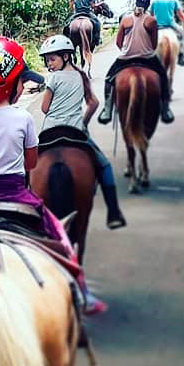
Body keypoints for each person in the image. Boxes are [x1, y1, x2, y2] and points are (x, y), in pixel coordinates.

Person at [0, 35, 106, 314]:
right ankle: (80, 288)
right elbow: (31, 163)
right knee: (58, 232)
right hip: (14, 193)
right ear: (11, 86)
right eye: (21, 80)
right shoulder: (22, 118)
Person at [37, 34, 126, 230]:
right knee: (104, 166)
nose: (49, 64)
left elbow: (44, 108)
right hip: (75, 131)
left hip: (49, 132)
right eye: (47, 60)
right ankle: (113, 211)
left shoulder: (53, 78)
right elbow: (93, 103)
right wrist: (83, 122)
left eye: (52, 59)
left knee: (26, 167)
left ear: (66, 57)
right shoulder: (81, 76)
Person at [98, 0, 175, 125]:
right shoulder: (151, 20)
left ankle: (107, 110)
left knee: (109, 79)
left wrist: (127, 49)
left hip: (125, 58)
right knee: (163, 76)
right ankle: (165, 110)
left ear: (136, 3)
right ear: (148, 4)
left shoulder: (126, 19)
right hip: (147, 58)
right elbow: (154, 44)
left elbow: (118, 42)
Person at [150, 0, 184, 65]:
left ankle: (149, 56)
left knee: (147, 38)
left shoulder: (154, 0)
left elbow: (151, 16)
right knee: (182, 33)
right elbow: (180, 14)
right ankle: (181, 55)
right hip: (171, 25)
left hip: (157, 26)